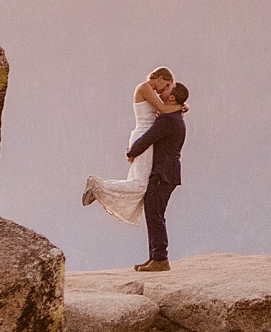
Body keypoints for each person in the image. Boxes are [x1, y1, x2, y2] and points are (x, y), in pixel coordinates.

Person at [79, 68, 184, 227]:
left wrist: (182, 106)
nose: (166, 89)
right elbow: (164, 110)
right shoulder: (144, 88)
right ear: (160, 78)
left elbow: (164, 110)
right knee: (140, 185)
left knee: (138, 184)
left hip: (144, 137)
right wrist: (181, 107)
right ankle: (97, 186)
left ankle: (99, 188)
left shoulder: (150, 92)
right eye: (167, 84)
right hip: (143, 137)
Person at [125, 79, 189, 271]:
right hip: (168, 171)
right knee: (154, 212)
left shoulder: (167, 120)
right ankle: (155, 256)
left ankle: (160, 258)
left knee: (154, 213)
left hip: (163, 172)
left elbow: (149, 137)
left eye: (168, 88)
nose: (163, 90)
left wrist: (131, 151)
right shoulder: (174, 117)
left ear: (171, 97)